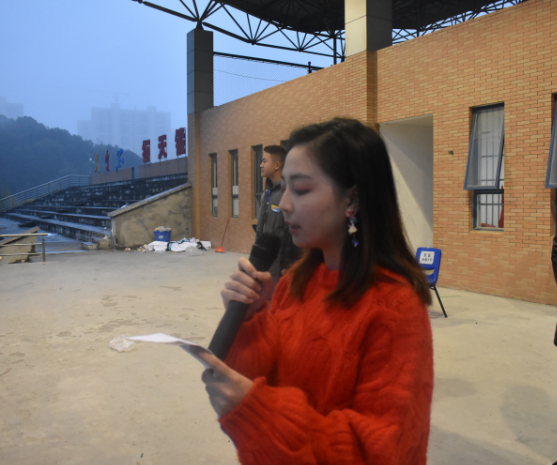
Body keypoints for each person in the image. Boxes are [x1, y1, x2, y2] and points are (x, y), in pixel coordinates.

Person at [197, 118, 434, 464]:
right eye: (285, 188)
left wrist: (263, 417)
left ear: (352, 198)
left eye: (302, 189)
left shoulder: (395, 308)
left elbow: (383, 451)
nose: (285, 204)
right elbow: (259, 383)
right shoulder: (294, 284)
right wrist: (250, 322)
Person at [255, 145, 299, 287]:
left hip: (278, 267)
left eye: (264, 161)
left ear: (277, 165)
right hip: (262, 261)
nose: (261, 165)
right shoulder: (266, 193)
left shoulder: (287, 194)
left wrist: (287, 265)